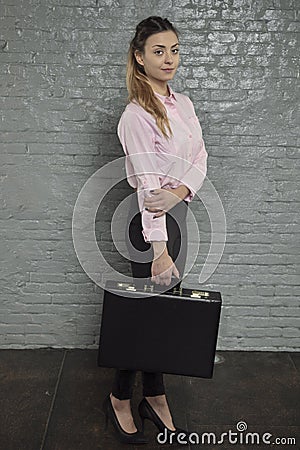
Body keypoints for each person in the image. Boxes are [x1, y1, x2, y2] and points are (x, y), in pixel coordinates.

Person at [102, 16, 208, 445]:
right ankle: (122, 396)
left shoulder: (183, 103)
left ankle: (155, 394)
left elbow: (200, 156)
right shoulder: (136, 114)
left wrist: (180, 189)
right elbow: (148, 185)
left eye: (175, 50)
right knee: (143, 313)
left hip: (175, 212)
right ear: (139, 57)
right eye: (159, 51)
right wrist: (159, 248)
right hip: (146, 225)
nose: (169, 59)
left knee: (161, 312)